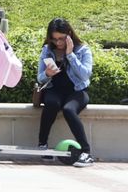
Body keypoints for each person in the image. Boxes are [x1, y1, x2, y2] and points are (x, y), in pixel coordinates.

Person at [37, 18, 95, 167]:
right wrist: (48, 74)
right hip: (54, 90)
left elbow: (85, 75)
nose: (58, 43)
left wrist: (70, 55)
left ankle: (86, 152)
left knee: (69, 110)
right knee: (51, 103)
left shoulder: (82, 50)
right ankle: (42, 144)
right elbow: (40, 77)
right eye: (54, 39)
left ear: (69, 34)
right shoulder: (47, 50)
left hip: (77, 91)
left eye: (61, 38)